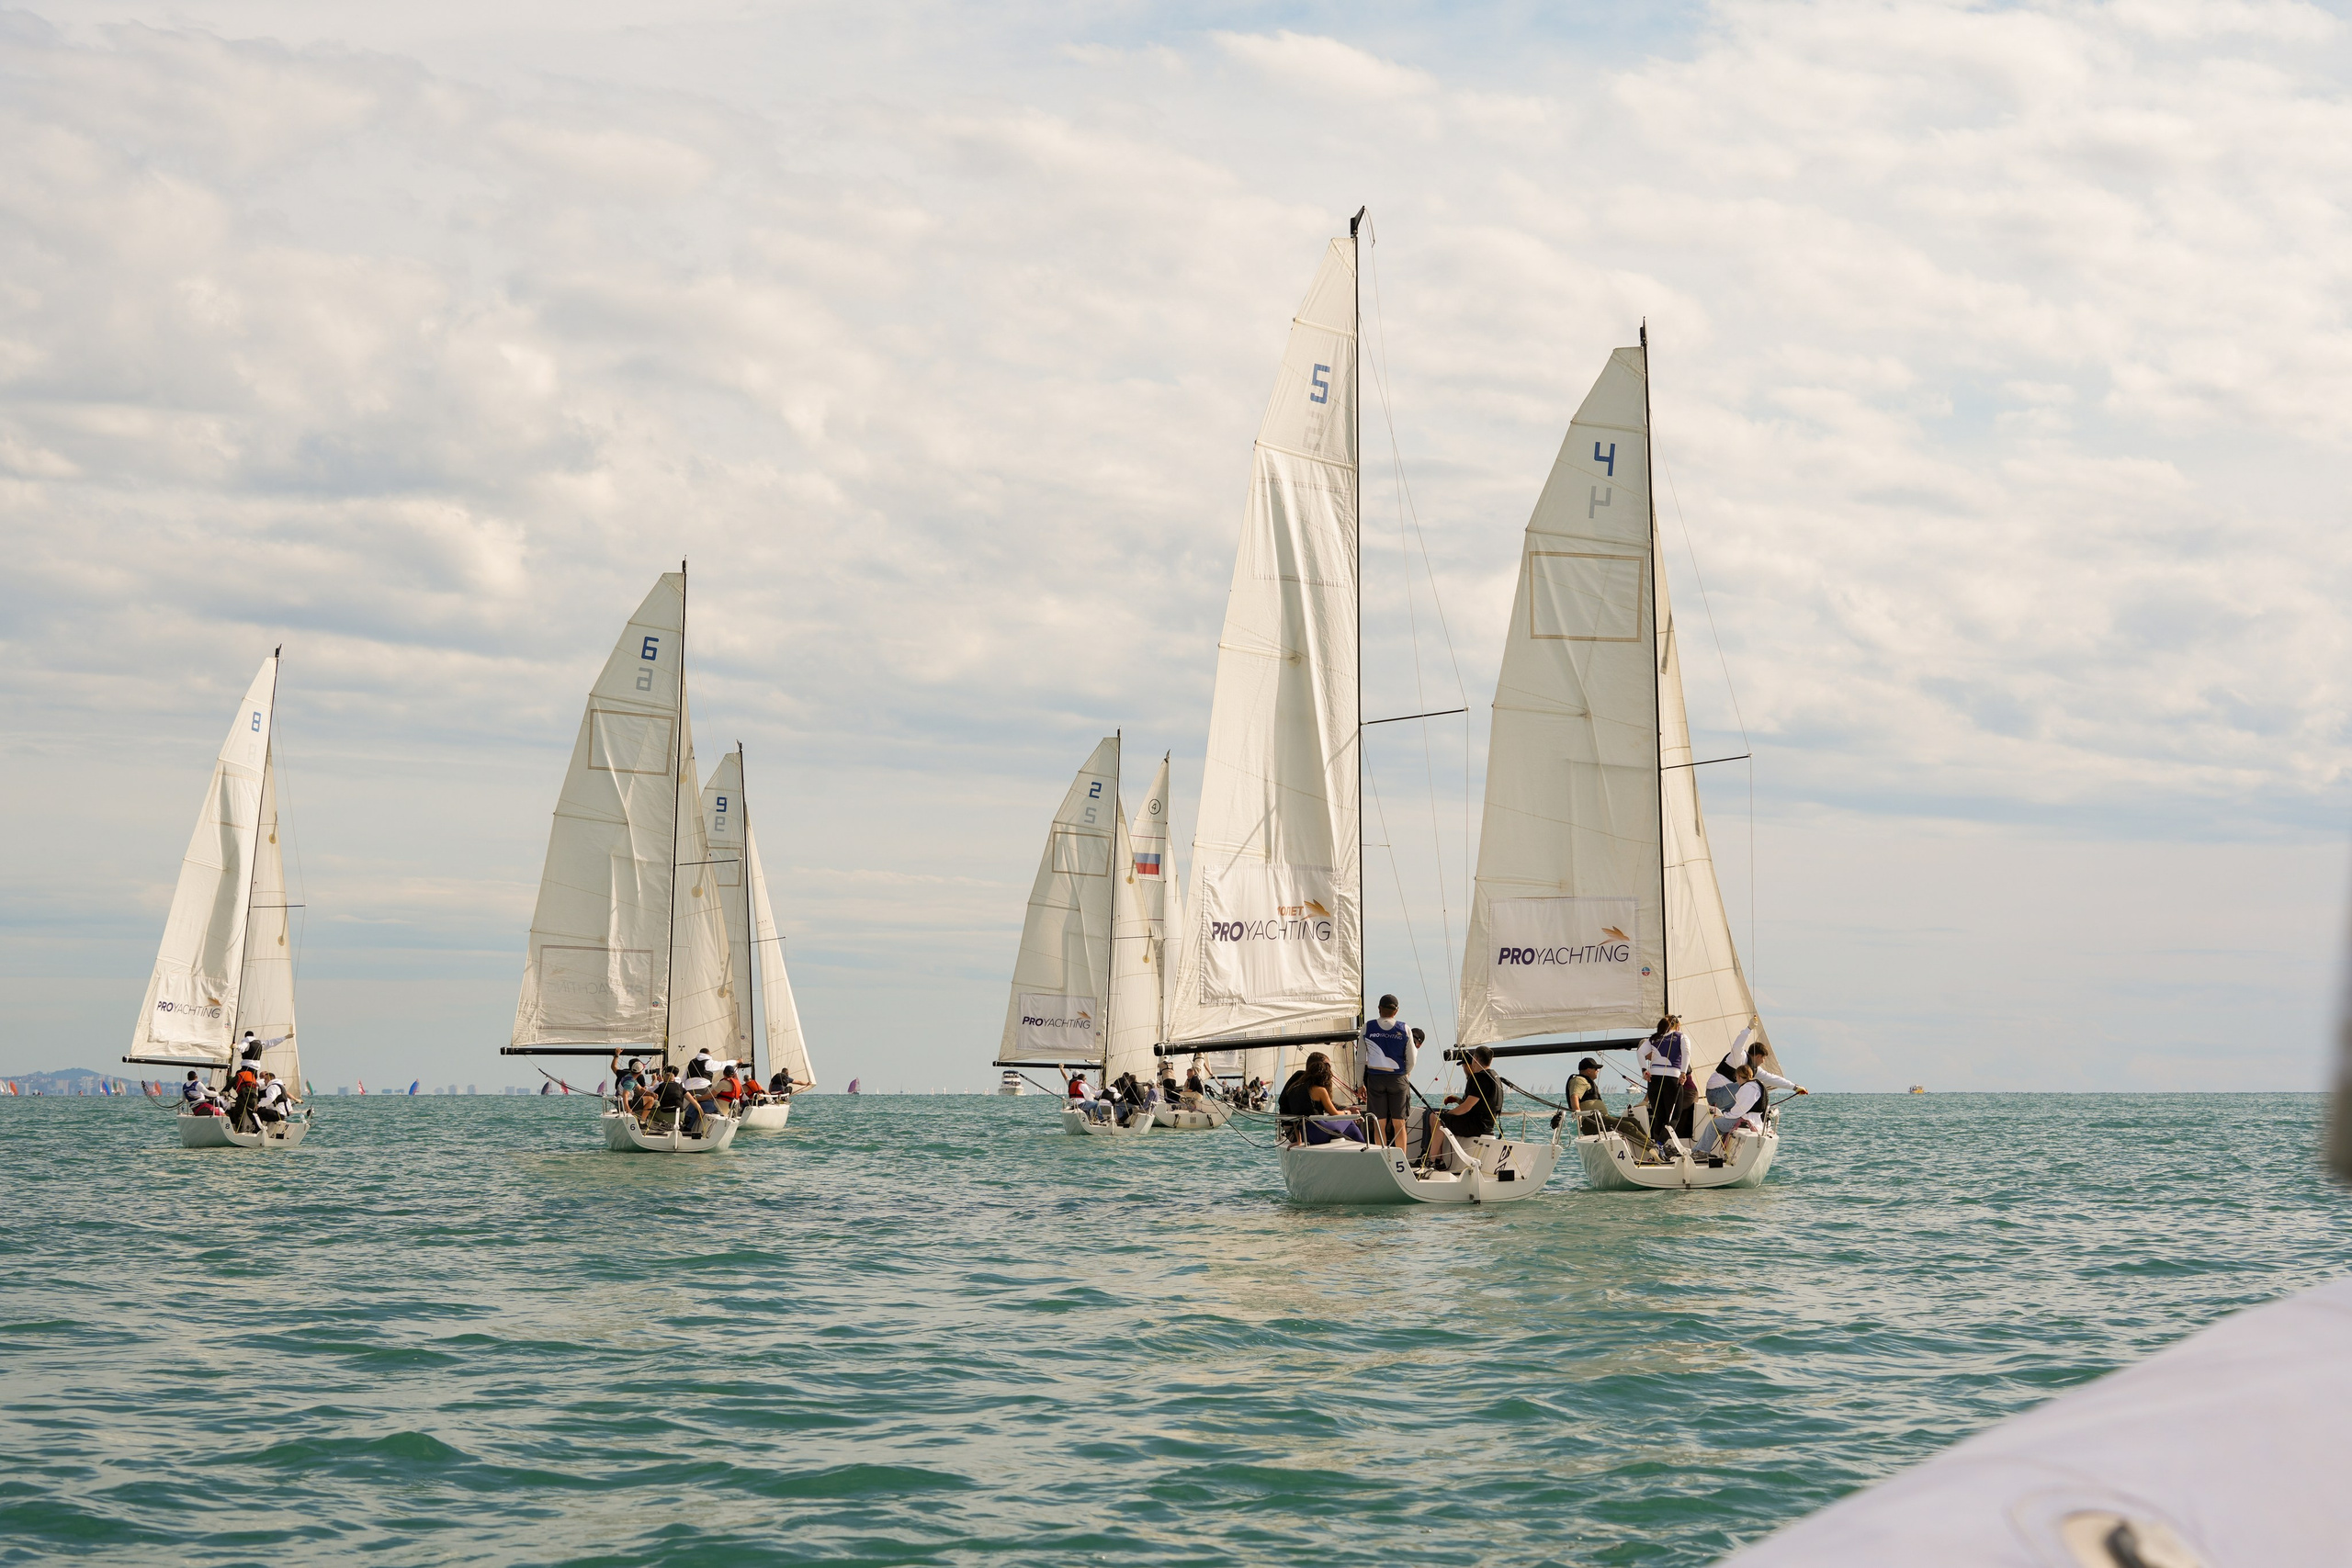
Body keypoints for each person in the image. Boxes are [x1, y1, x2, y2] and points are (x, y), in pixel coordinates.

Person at [1421, 1045, 1502, 1168]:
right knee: (1436, 1116)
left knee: (1437, 1119)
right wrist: (1457, 1101)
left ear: (1475, 1059)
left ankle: (1432, 1161)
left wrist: (1447, 1115)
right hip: (1487, 1125)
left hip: (1477, 1126)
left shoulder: (1479, 1078)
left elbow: (1466, 1108)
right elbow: (1478, 1104)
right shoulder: (1495, 1076)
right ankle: (1438, 1160)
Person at [1358, 995, 1412, 1149]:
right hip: (1398, 1078)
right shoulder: (1405, 1028)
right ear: (1396, 1011)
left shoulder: (1367, 1027)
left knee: (1379, 1122)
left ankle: (1382, 1156)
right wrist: (1404, 1074)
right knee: (1399, 1123)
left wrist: (1360, 1084)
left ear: (1379, 1008)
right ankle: (1401, 1159)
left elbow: (1360, 1060)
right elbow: (1412, 1059)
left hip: (1376, 1079)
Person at [1695, 1064, 1770, 1159]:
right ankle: (1700, 1149)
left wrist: (1725, 1115)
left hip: (1747, 1121)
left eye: (1736, 1077)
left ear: (1738, 1076)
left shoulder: (1747, 1087)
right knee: (1719, 1125)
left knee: (1714, 1124)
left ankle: (1702, 1151)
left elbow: (1739, 1110)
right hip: (1755, 1121)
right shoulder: (1757, 1085)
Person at [1706, 1039, 1806, 1110]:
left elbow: (1773, 1079)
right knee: (1752, 1085)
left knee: (1752, 1086)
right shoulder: (1739, 1058)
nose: (1763, 1061)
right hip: (1715, 1095)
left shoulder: (1755, 1070)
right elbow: (1737, 1046)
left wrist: (1795, 1087)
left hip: (1725, 1100)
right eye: (1764, 1058)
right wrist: (1749, 1029)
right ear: (1758, 1056)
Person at [1639, 1016, 1690, 1155]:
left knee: (1659, 1116)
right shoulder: (1681, 1037)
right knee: (1674, 1117)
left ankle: (1656, 1147)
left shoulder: (1653, 1039)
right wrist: (1683, 1073)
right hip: (1672, 1079)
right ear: (1676, 1026)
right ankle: (1659, 1146)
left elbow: (1640, 1052)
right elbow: (1686, 1054)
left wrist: (1644, 1070)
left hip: (1653, 1080)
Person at [1566, 1057, 1611, 1134]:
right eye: (1596, 1069)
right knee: (1629, 1126)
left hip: (1600, 1119)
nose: (1598, 1071)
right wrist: (1577, 1112)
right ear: (1589, 1070)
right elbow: (1574, 1096)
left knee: (1634, 1122)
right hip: (1592, 1122)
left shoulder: (1587, 1081)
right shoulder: (1579, 1080)